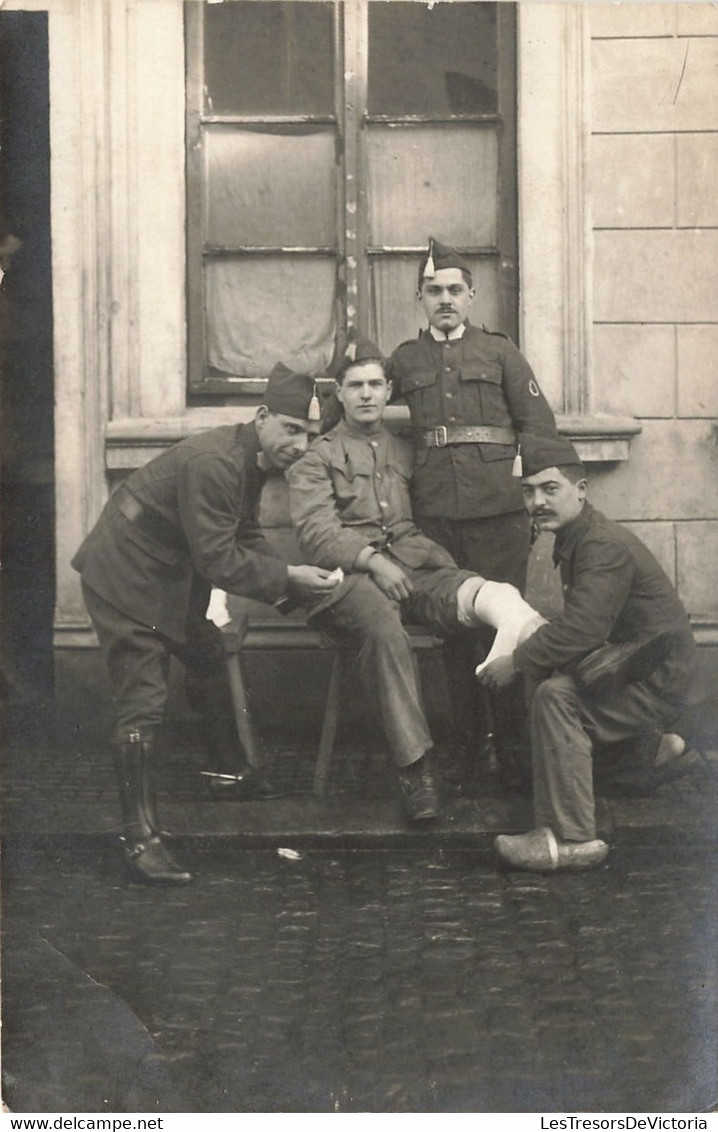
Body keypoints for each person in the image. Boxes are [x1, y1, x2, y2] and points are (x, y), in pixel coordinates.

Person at [72, 366, 341, 885]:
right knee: (144, 700)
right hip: (124, 573)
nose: (300, 445)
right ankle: (140, 838)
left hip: (165, 573)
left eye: (309, 435)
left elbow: (244, 533)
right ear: (262, 417)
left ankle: (228, 773)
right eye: (291, 429)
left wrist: (296, 594)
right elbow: (219, 559)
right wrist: (289, 576)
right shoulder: (216, 462)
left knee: (207, 652)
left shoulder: (250, 459)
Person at [287, 339, 544, 824]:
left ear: (388, 392)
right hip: (347, 581)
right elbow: (317, 534)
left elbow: (422, 522)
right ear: (338, 393)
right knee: (386, 630)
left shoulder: (407, 452)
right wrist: (371, 560)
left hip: (411, 568)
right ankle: (416, 768)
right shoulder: (316, 458)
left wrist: (432, 564)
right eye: (355, 385)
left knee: (488, 594)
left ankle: (544, 712)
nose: (366, 394)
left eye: (375, 385)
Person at [477, 433, 697, 871]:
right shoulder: (582, 536)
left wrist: (516, 662)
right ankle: (647, 755)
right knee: (549, 677)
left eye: (550, 489)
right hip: (641, 667)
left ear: (581, 490)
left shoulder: (601, 545)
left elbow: (582, 628)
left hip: (656, 679)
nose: (537, 501)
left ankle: (573, 838)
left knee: (556, 699)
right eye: (529, 491)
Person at [387, 237, 557, 788]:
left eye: (455, 290)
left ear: (472, 295)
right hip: (435, 515)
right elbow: (363, 405)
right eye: (434, 291)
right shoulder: (404, 359)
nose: (445, 299)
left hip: (499, 516)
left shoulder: (501, 353)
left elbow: (538, 428)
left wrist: (532, 499)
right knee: (453, 632)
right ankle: (466, 746)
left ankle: (510, 748)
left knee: (506, 629)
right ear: (420, 298)